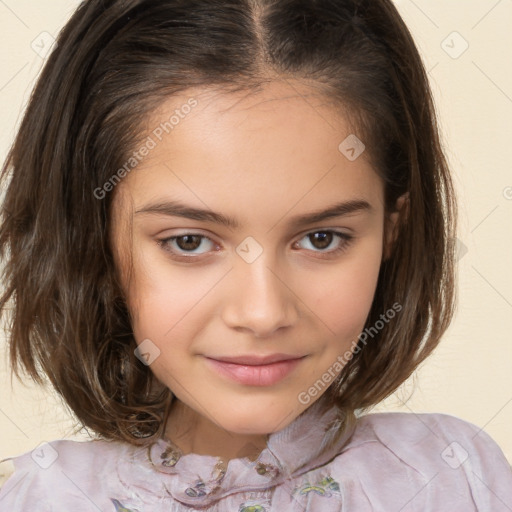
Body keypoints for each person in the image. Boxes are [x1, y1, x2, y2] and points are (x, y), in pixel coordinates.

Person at [0, 0, 511, 510]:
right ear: (97, 241)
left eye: (321, 238)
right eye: (189, 242)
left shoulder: (457, 478)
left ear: (391, 231)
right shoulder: (45, 498)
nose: (263, 313)